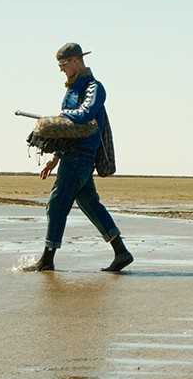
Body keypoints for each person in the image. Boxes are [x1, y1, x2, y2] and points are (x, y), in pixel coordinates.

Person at [19, 43, 131, 273]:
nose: (61, 70)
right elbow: (68, 130)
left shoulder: (94, 87)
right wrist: (55, 158)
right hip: (73, 154)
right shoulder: (72, 89)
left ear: (75, 61)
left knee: (57, 204)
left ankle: (47, 259)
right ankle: (121, 252)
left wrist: (58, 116)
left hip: (81, 156)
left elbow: (85, 114)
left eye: (62, 64)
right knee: (90, 204)